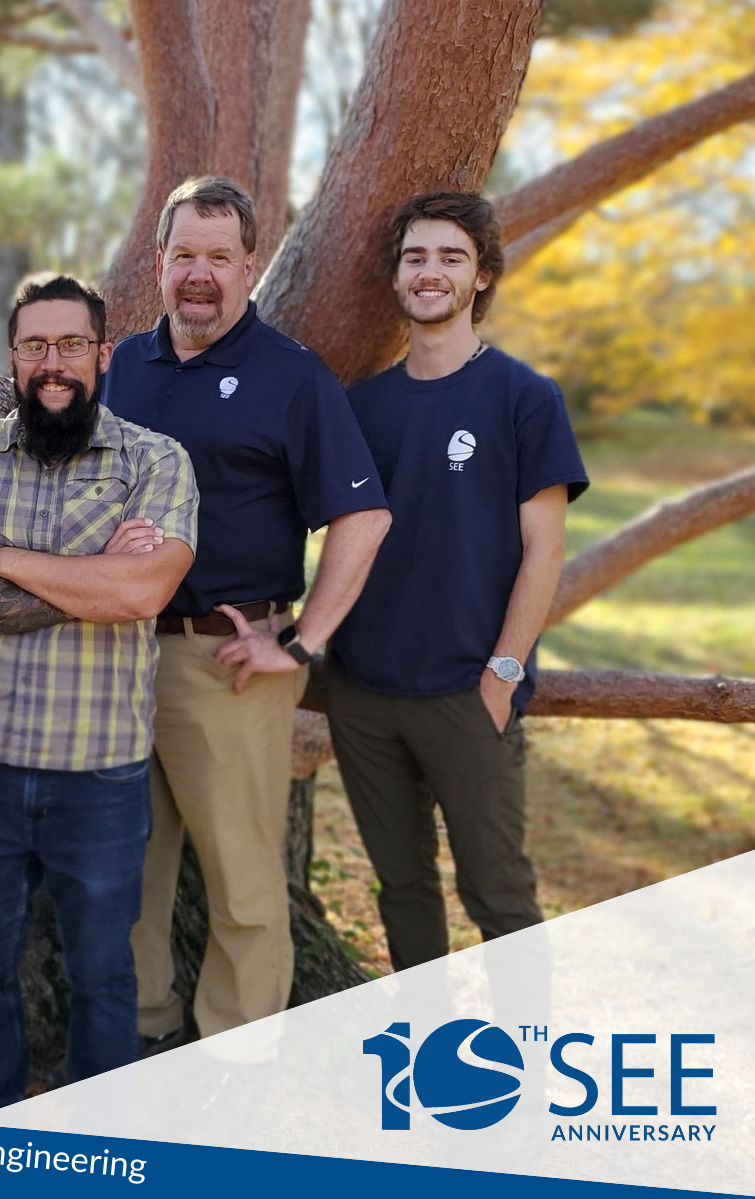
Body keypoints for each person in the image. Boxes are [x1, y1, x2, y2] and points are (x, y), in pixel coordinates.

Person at [103, 176, 392, 1049]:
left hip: (224, 659)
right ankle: (137, 1037)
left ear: (249, 267)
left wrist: (302, 643)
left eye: (219, 257)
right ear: (158, 263)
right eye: (185, 254)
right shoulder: (120, 366)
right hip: (113, 657)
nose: (200, 273)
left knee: (242, 881)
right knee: (123, 875)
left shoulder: (292, 377)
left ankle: (237, 1055)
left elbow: (364, 513)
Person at [0, 274, 198, 1118]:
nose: (53, 363)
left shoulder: (156, 459)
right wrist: (93, 574)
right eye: (35, 346)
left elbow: (145, 592)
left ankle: (95, 1126)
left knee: (106, 968)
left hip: (100, 770)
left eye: (70, 344)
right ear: (13, 357)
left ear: (102, 354)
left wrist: (2, 558)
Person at [324, 192, 587, 972]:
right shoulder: (361, 407)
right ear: (397, 279)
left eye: (450, 257)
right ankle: (419, 1068)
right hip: (365, 694)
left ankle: (530, 1077)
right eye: (415, 257)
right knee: (402, 889)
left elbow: (544, 550)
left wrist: (504, 674)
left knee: (500, 896)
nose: (430, 271)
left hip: (468, 691)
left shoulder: (524, 398)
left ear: (481, 278)